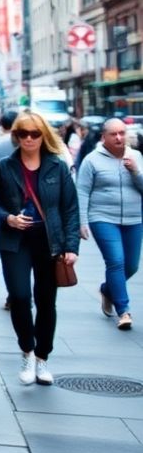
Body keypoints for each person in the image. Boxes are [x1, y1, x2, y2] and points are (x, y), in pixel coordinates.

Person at [0, 111, 80, 387]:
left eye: (34, 133)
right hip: (15, 240)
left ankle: (42, 357)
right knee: (19, 296)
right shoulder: (4, 166)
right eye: (22, 134)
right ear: (15, 137)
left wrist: (71, 245)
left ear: (43, 135)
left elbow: (70, 208)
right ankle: (27, 351)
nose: (29, 139)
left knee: (45, 300)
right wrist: (7, 218)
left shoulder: (57, 166)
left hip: (48, 239)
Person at [77, 118, 143, 331]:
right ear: (103, 137)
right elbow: (82, 191)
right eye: (113, 134)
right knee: (116, 261)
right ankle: (123, 310)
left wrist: (136, 171)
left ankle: (107, 290)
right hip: (102, 217)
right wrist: (82, 221)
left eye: (122, 133)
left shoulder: (137, 157)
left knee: (131, 266)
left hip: (133, 218)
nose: (119, 138)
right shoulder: (92, 160)